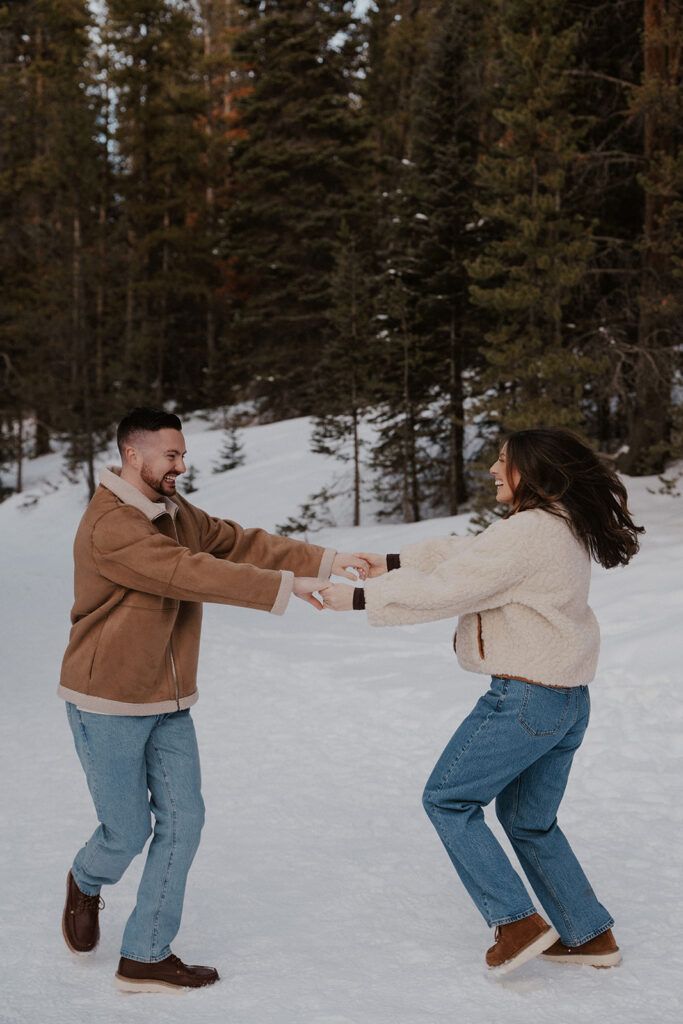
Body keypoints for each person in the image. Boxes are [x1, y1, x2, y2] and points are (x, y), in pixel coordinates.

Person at [317, 428, 643, 974]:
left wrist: (357, 597)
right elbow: (469, 554)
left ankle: (516, 923)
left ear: (529, 472)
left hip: (525, 699)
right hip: (565, 702)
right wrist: (393, 561)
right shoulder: (554, 525)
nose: (493, 469)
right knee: (530, 821)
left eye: (502, 461)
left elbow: (451, 587)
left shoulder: (531, 532)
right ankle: (589, 933)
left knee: (447, 799)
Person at [59, 407, 363, 993]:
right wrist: (284, 589)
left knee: (185, 820)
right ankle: (85, 877)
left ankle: (145, 953)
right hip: (108, 700)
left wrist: (324, 561)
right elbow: (188, 573)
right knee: (125, 831)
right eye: (170, 456)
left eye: (183, 455)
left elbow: (236, 542)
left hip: (170, 698)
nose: (179, 465)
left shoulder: (174, 512)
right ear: (133, 455)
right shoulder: (111, 525)